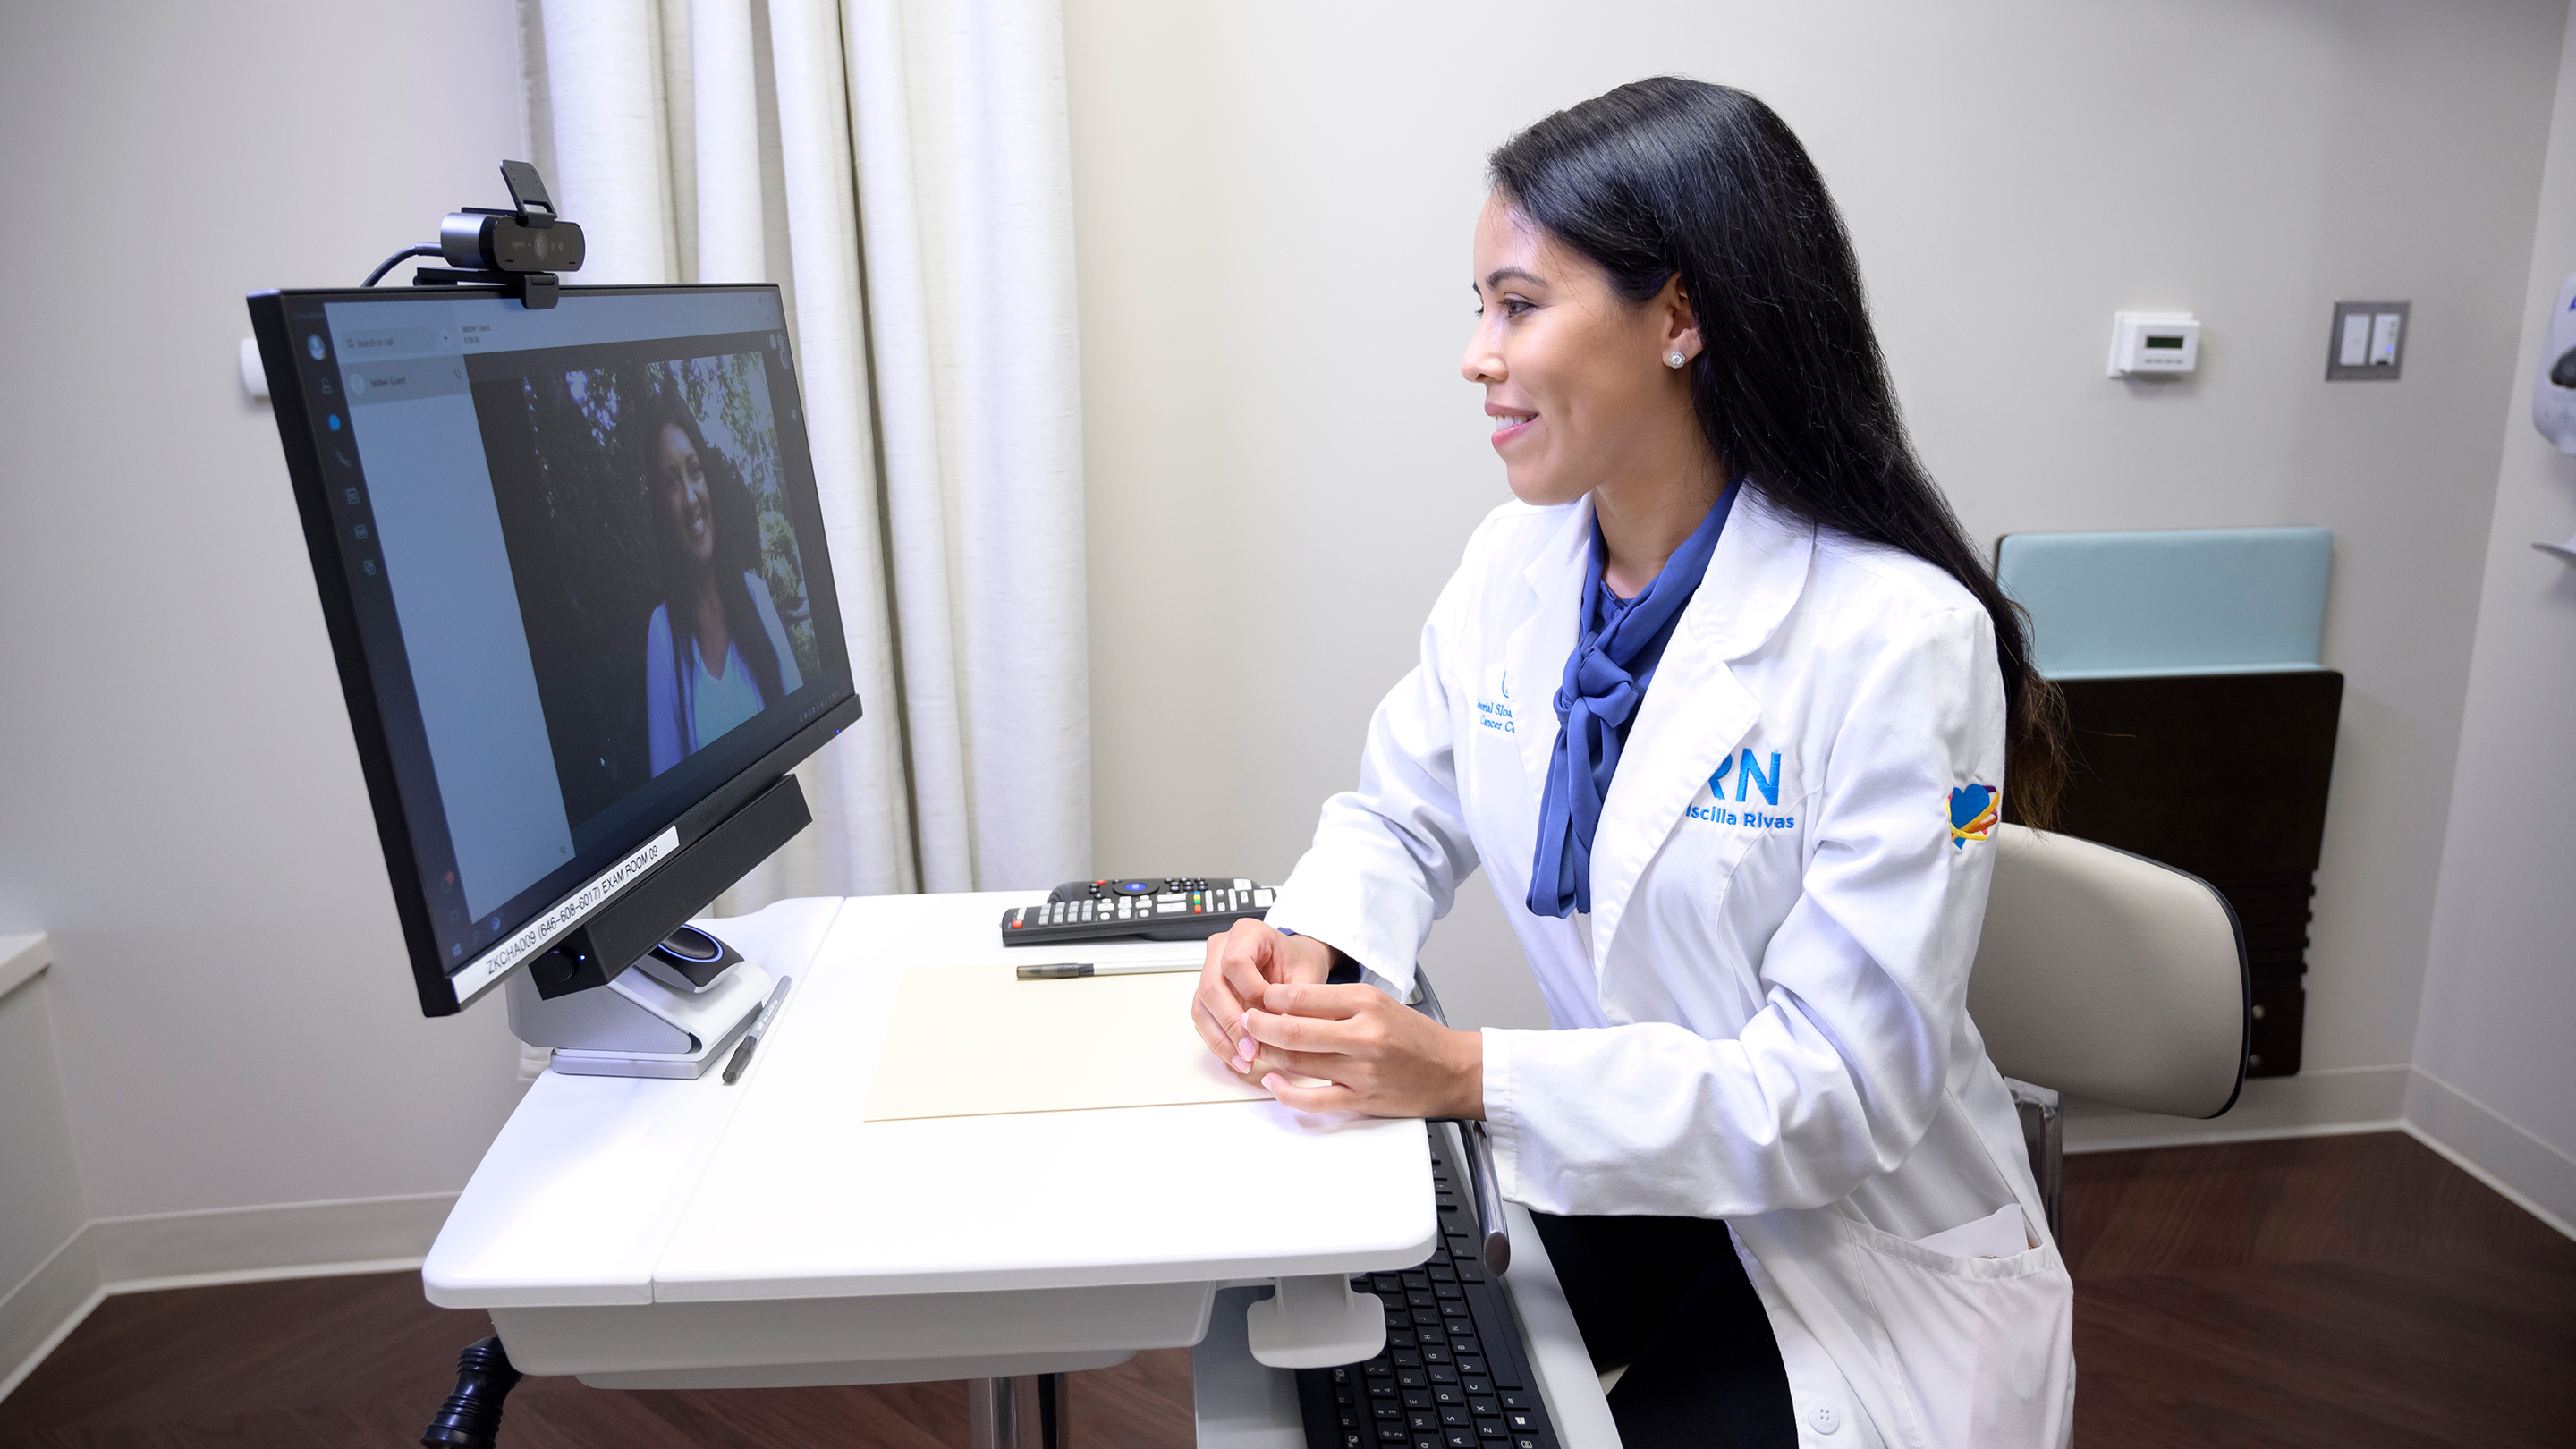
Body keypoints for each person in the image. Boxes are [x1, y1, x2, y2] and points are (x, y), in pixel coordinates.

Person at [1191, 79, 2077, 1449]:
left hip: (1849, 1242)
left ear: (1678, 317)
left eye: (1518, 305)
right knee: (1309, 1357)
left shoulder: (1899, 639)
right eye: (1476, 307)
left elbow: (1837, 1094)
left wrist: (1465, 1073)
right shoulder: (1520, 564)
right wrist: (1310, 941)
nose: (1477, 356)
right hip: (1649, 1173)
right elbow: (1398, 813)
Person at [642, 386, 801, 775]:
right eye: (672, 481)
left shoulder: (756, 596)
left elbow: (805, 728)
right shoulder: (662, 634)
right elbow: (670, 799)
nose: (690, 497)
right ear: (662, 508)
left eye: (694, 471)